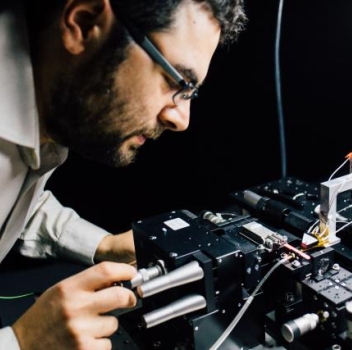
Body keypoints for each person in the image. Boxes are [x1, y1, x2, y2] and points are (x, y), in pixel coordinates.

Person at [0, 0, 247, 348]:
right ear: (84, 23)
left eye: (192, 93)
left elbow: (13, 200)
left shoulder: (46, 112)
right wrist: (21, 341)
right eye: (177, 81)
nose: (181, 119)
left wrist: (102, 245)